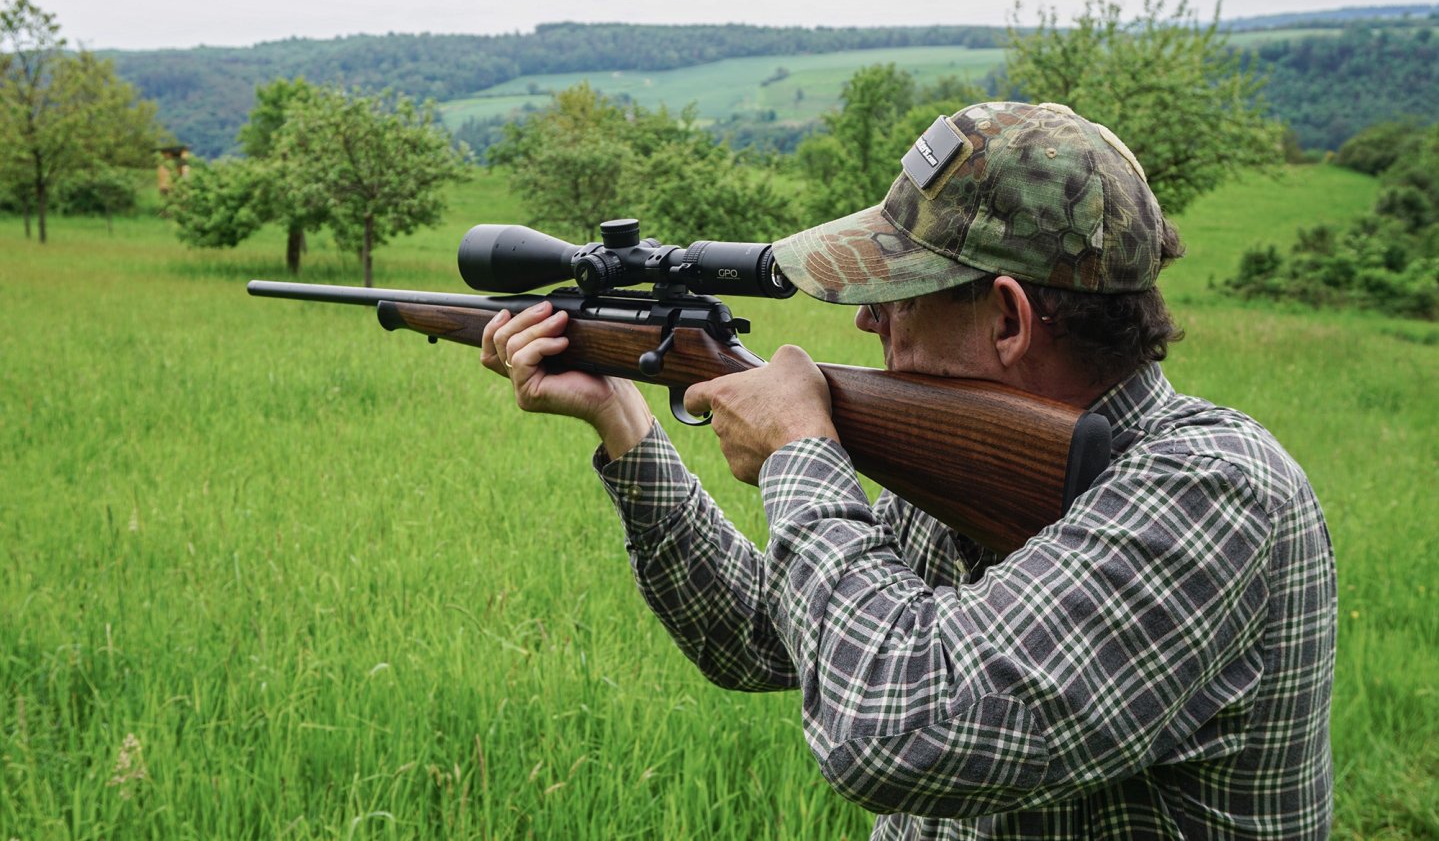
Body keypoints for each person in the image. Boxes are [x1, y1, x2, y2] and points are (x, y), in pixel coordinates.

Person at [481, 102, 1336, 839]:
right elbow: (759, 638)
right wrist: (622, 416)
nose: (865, 322)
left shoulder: (1214, 490)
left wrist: (800, 459)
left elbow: (895, 728)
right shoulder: (968, 469)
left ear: (1007, 319)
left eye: (897, 292)